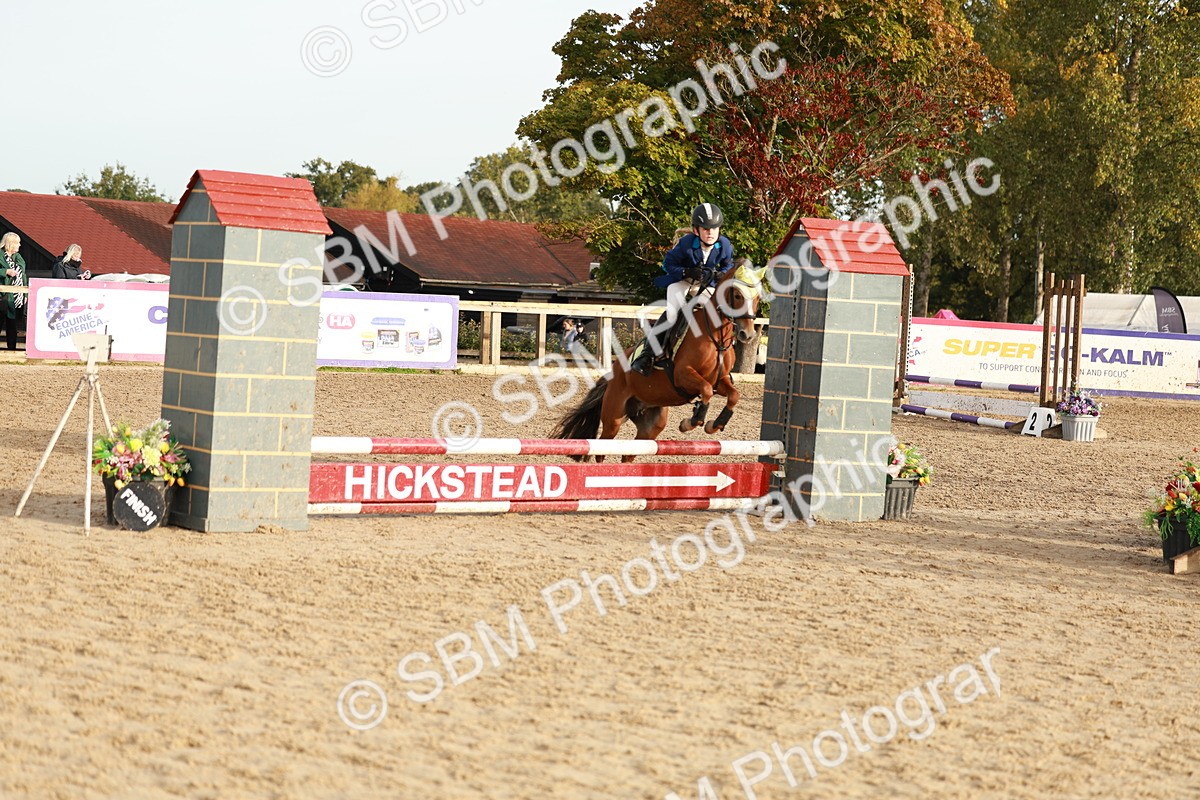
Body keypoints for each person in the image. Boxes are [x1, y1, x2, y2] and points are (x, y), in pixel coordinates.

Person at [630, 203, 735, 375]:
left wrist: (720, 274)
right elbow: (668, 265)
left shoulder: (724, 245)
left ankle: (722, 357)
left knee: (718, 312)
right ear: (696, 231)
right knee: (673, 313)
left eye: (714, 229)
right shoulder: (685, 244)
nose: (710, 233)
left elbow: (728, 265)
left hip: (705, 284)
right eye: (706, 229)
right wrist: (686, 271)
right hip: (682, 281)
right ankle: (647, 354)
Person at [1, 232, 27, 350]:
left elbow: (23, 275)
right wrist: (5, 272)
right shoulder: (0, 255)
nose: (19, 245)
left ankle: (12, 350)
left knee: (13, 325)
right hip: (3, 295)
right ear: (10, 243)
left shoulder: (18, 258)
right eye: (17, 243)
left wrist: (24, 292)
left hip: (17, 296)